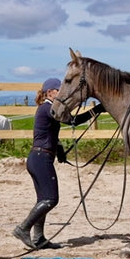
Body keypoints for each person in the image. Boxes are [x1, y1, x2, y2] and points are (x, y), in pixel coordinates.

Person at [12, 77, 105, 250]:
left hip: (38, 158)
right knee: (51, 199)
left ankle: (39, 238)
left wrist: (60, 151)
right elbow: (73, 121)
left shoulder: (46, 109)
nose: (62, 93)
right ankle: (23, 228)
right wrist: (97, 109)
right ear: (49, 93)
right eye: (58, 91)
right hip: (41, 159)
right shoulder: (49, 108)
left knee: (43, 199)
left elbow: (51, 132)